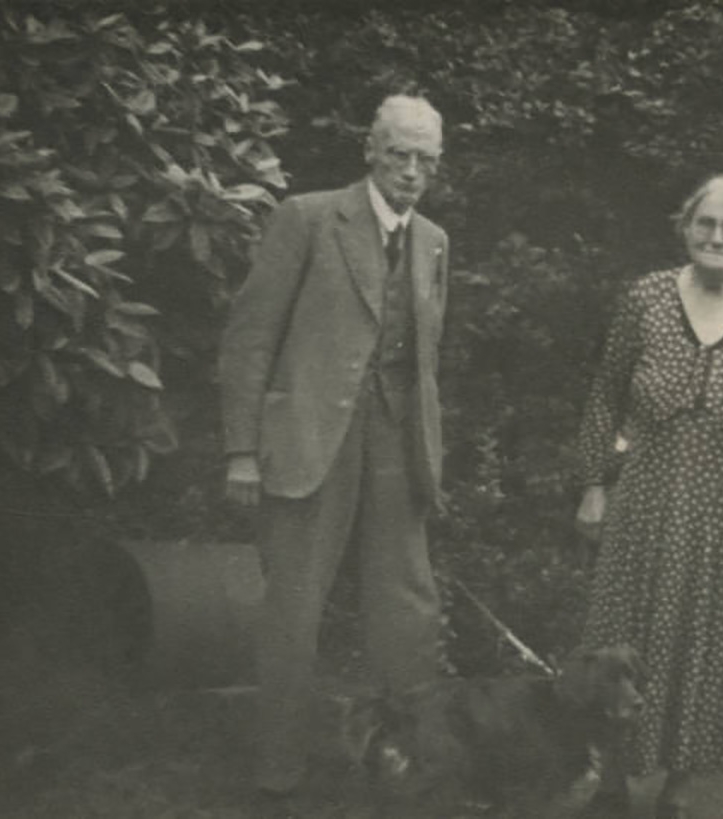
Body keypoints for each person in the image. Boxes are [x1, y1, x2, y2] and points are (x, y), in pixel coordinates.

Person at [219, 94, 450, 796]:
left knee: (408, 611)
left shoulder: (433, 241)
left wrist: (427, 455)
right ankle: (277, 774)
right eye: (399, 155)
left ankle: (408, 768)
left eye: (426, 160)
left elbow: (422, 362)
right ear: (370, 151)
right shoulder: (309, 218)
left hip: (394, 444)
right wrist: (242, 450)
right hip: (308, 441)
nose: (411, 172)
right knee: (292, 612)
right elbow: (251, 337)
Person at [574, 174, 723, 818]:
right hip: (646, 501)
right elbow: (606, 392)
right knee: (622, 640)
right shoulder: (648, 297)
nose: (716, 237)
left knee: (709, 648)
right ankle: (612, 784)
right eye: (705, 224)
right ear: (686, 228)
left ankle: (681, 786)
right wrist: (595, 480)